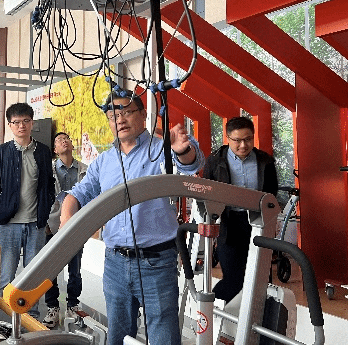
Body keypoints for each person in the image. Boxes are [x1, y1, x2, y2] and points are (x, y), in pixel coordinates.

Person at [60, 90, 204, 345]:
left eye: (126, 112)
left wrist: (183, 151)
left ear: (143, 114)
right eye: (113, 116)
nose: (120, 119)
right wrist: (66, 216)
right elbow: (79, 193)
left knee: (163, 337)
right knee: (118, 335)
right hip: (115, 263)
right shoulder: (104, 161)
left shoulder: (161, 149)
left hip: (156, 262)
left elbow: (190, 163)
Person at [0, 102, 55, 317]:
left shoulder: (43, 151)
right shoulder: (2, 151)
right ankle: (5, 316)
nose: (21, 126)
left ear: (32, 123)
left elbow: (49, 183)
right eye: (16, 122)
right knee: (6, 274)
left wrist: (46, 206)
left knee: (33, 275)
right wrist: (2, 202)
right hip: (9, 223)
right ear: (10, 125)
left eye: (25, 121)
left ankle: (31, 317)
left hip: (35, 223)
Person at [202, 116, 278, 302]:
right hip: (229, 224)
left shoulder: (265, 161)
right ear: (228, 138)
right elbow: (205, 193)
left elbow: (271, 193)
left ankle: (257, 316)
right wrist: (210, 219)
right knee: (233, 279)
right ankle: (213, 312)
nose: (243, 145)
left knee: (260, 278)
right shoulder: (215, 161)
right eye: (237, 140)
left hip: (257, 222)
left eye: (248, 139)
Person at [42, 132, 88, 328]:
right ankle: (52, 307)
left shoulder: (84, 170)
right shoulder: (49, 170)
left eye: (66, 139)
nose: (64, 141)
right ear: (55, 149)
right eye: (59, 140)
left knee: (75, 269)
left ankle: (72, 305)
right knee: (51, 269)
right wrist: (44, 222)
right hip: (52, 226)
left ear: (72, 145)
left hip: (77, 225)